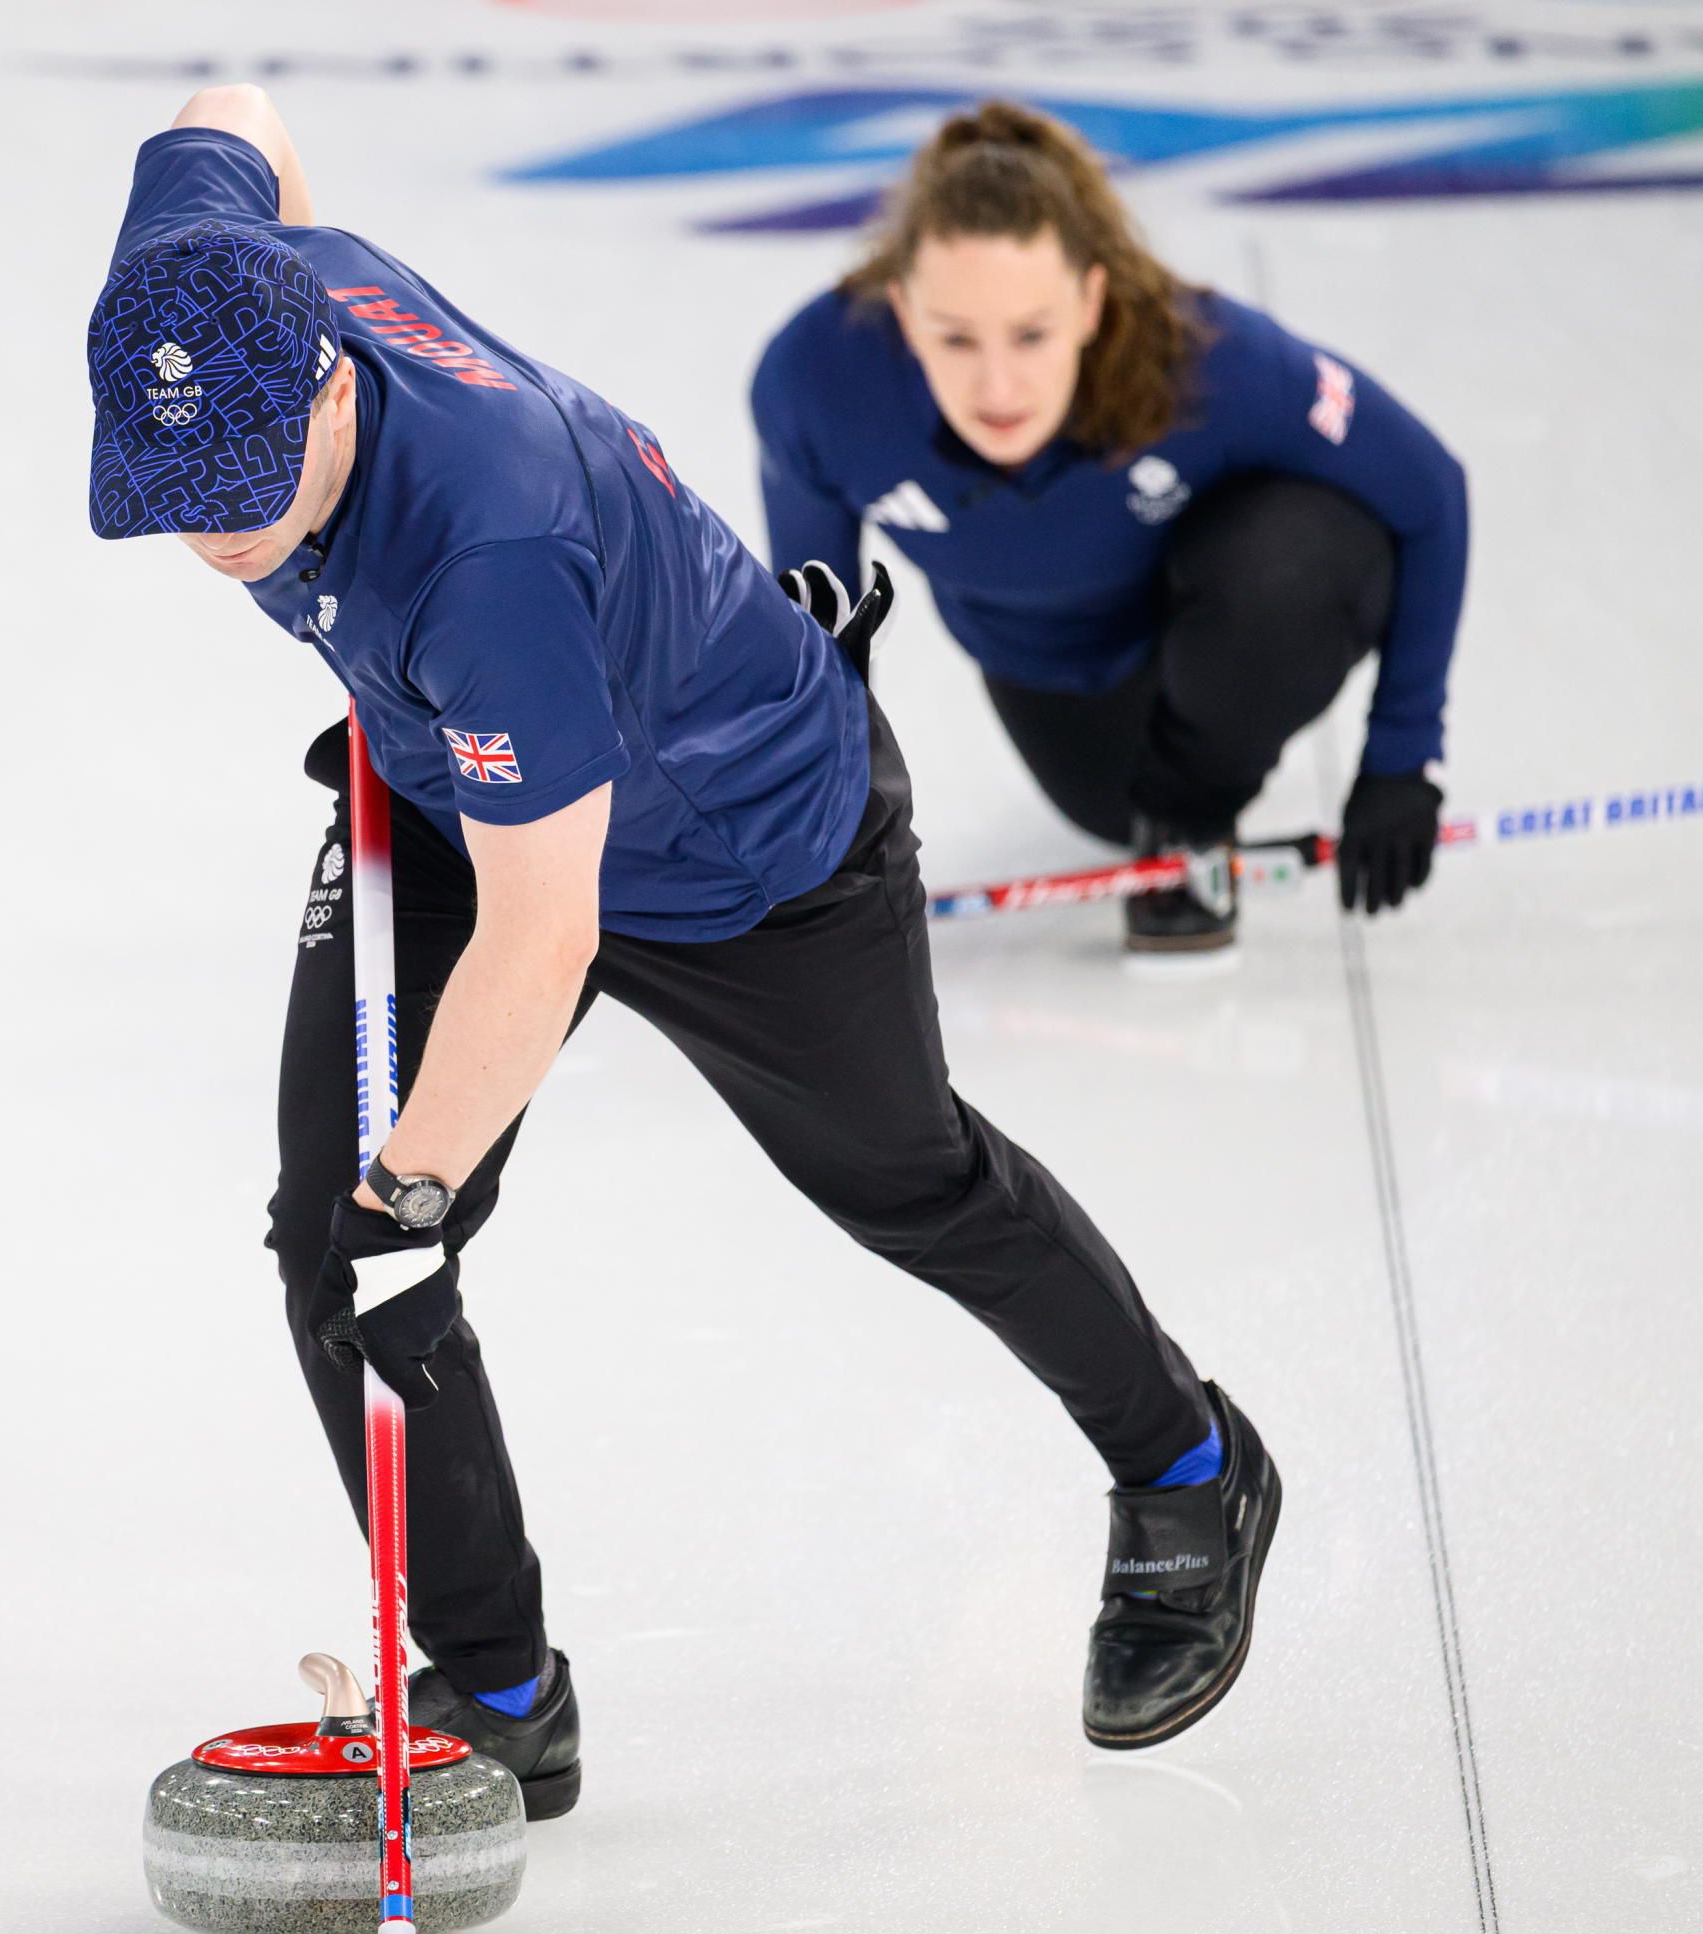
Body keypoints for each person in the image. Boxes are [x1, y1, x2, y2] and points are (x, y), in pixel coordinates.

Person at [84, 85, 1281, 1795]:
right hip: (466, 782)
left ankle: (1190, 1469)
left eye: (246, 495)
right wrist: (384, 1225)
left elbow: (544, 930)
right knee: (331, 1251)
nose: (216, 539)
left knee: (907, 1181)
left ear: (334, 384)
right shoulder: (198, 283)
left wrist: (413, 1201)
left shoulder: (488, 548)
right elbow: (231, 114)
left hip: (741, 848)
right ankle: (497, 1688)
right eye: (172, 499)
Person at [753, 101, 1471, 951]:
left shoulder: (1206, 357)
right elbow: (815, 637)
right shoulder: (818, 383)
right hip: (1065, 700)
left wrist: (1402, 757)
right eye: (956, 339)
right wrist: (804, 847)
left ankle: (1191, 810)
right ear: (904, 312)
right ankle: (1155, 808)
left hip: (1233, 634)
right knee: (1111, 805)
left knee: (1304, 554)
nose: (998, 388)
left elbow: (1430, 491)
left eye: (1032, 335)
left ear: (1091, 303)